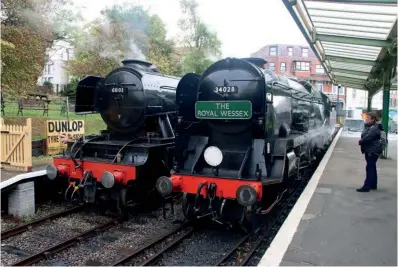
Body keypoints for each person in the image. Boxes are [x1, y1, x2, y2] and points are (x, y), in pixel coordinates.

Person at [357, 111, 382, 192]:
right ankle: (373, 185)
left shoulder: (374, 128)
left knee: (370, 168)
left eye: (368, 118)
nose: (366, 119)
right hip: (371, 149)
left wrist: (361, 141)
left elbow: (368, 137)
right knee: (372, 167)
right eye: (366, 117)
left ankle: (366, 186)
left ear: (373, 119)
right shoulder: (370, 126)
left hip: (372, 150)